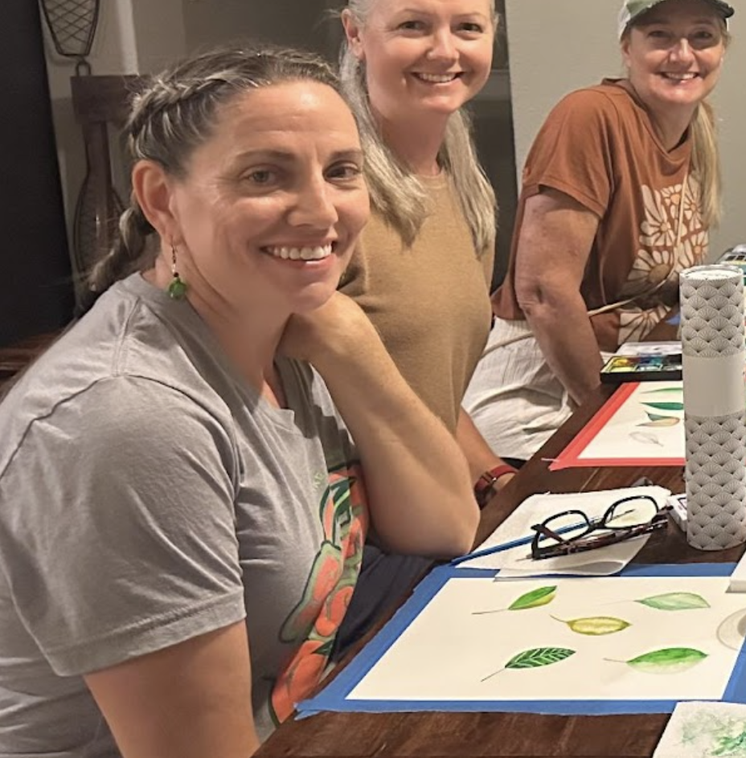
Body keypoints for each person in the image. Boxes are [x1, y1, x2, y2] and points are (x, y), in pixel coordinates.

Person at [0, 46, 475, 758]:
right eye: (264, 175)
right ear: (162, 199)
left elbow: (446, 526)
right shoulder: (128, 419)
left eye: (341, 170)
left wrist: (353, 345)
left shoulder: (281, 323)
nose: (320, 210)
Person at [463, 0, 728, 460]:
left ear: (723, 49)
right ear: (627, 49)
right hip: (542, 387)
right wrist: (602, 412)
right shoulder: (589, 115)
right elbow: (542, 293)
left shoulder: (697, 125)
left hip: (629, 371)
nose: (683, 55)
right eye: (660, 36)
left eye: (702, 36)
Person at [337, 0, 514, 506]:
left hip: (437, 503)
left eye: (467, 27)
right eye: (413, 25)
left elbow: (429, 393)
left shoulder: (464, 186)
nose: (444, 51)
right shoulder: (330, 196)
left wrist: (497, 478)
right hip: (355, 541)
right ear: (356, 33)